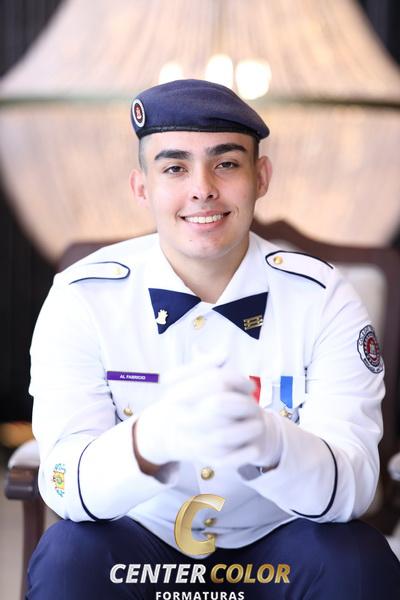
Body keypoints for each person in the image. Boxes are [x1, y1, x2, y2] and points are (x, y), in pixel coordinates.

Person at [27, 79, 400, 599]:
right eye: (174, 168)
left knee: (358, 562)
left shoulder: (324, 298)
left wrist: (272, 444)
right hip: (139, 541)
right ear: (142, 187)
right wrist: (146, 444)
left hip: (280, 543)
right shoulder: (81, 298)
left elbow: (355, 485)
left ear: (260, 177)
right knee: (67, 557)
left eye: (226, 163)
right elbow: (63, 481)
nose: (202, 188)